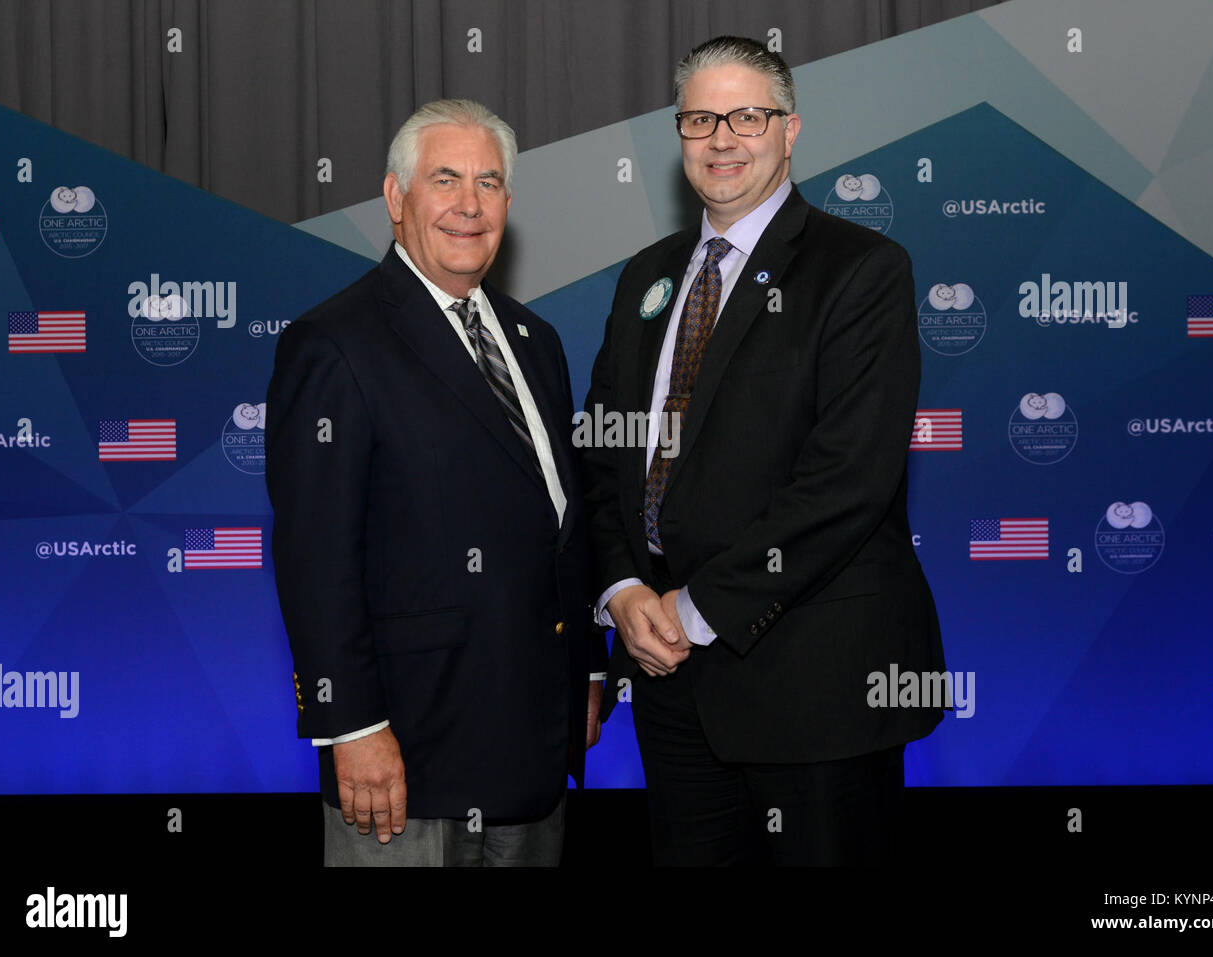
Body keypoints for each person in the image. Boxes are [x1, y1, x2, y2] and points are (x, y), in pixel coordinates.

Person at [583, 37, 947, 865]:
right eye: (701, 119)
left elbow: (847, 482)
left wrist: (696, 606)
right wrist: (624, 587)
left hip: (812, 684)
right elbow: (604, 454)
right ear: (678, 137)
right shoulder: (648, 277)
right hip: (670, 684)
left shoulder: (861, 270)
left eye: (748, 116)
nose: (723, 138)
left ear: (791, 130)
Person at [266, 99, 606, 866]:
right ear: (395, 197)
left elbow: (562, 521)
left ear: (509, 206)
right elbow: (316, 558)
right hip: (404, 766)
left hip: (534, 758)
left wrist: (586, 664)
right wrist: (350, 726)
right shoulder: (334, 344)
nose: (468, 204)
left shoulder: (535, 341)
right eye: (445, 179)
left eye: (489, 183)